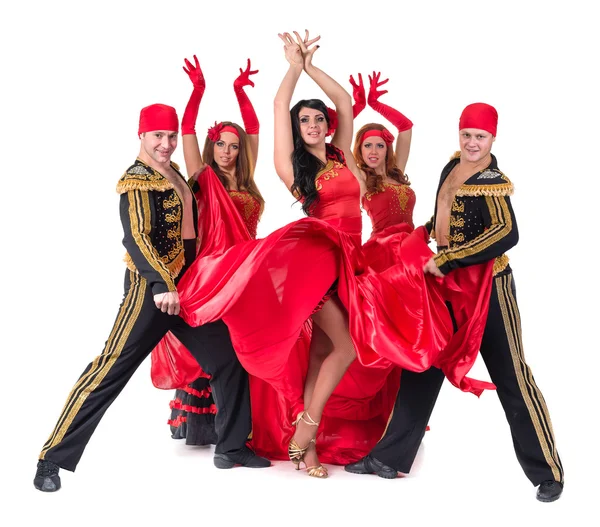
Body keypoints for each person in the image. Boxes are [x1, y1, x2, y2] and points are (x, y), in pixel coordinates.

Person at [34, 104, 269, 493]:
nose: (166, 144)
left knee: (228, 357)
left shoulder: (174, 172)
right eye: (158, 136)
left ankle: (230, 448)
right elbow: (138, 238)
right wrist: (162, 286)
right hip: (152, 292)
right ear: (141, 136)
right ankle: (51, 459)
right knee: (110, 370)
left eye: (171, 136)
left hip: (187, 290)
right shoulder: (137, 179)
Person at [345, 102, 564, 503]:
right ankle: (388, 458)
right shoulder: (452, 166)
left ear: (493, 139)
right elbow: (444, 213)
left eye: (480, 137)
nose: (473, 143)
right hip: (448, 287)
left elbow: (506, 232)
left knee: (511, 375)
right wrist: (427, 231)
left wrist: (447, 257)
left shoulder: (492, 180)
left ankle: (547, 472)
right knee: (424, 362)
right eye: (467, 135)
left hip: (489, 288)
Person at [153, 55, 264, 446]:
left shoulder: (248, 184)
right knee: (219, 344)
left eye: (234, 146)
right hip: (213, 270)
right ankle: (214, 426)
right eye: (220, 144)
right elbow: (186, 129)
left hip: (247, 271)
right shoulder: (201, 174)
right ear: (211, 145)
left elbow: (253, 129)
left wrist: (240, 93)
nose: (228, 151)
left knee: (247, 342)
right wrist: (198, 91)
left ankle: (244, 423)